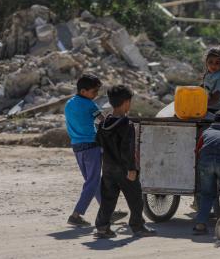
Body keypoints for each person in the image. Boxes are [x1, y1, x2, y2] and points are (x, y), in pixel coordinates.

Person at [94, 85, 156, 238]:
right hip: (123, 169)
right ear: (126, 102)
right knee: (135, 199)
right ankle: (138, 226)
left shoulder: (104, 123)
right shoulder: (127, 124)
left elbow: (98, 142)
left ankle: (102, 227)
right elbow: (127, 150)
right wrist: (132, 169)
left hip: (107, 168)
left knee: (108, 199)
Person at [65, 74, 126, 227]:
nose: (96, 95)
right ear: (84, 91)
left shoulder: (69, 103)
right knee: (92, 182)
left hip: (77, 147)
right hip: (91, 146)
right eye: (94, 92)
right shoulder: (90, 105)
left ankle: (108, 212)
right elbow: (103, 121)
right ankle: (76, 215)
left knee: (94, 181)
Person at [202, 46, 220, 113]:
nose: (213, 65)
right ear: (206, 62)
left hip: (219, 110)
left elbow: (215, 99)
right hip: (211, 106)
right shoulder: (209, 74)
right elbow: (205, 86)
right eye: (210, 62)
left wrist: (200, 105)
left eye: (217, 63)